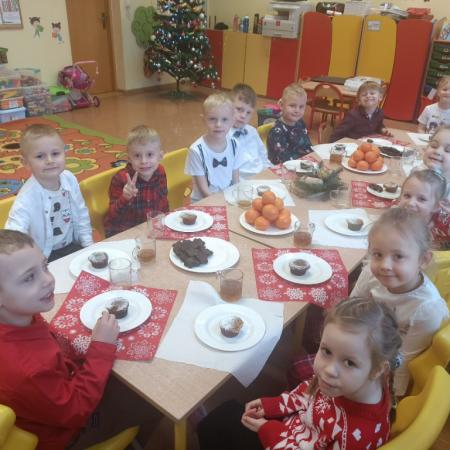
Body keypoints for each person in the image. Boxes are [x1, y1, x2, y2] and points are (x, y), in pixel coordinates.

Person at [197, 297, 402, 450]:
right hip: (292, 430)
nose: (329, 370)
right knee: (223, 415)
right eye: (326, 351)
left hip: (283, 439)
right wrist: (275, 405)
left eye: (349, 362)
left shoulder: (356, 437)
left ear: (378, 370)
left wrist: (268, 430)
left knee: (213, 425)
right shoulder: (349, 384)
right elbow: (309, 391)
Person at [0, 229, 118, 450]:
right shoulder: (28, 371)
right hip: (70, 432)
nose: (48, 280)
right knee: (147, 401)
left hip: (58, 398)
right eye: (29, 278)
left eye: (44, 266)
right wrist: (100, 348)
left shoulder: (19, 315)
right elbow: (77, 410)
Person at [351, 208, 448, 395]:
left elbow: (403, 365)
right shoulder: (371, 273)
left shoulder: (427, 310)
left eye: (398, 256)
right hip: (363, 346)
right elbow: (351, 311)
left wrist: (389, 398)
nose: (385, 265)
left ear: (423, 260)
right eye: (377, 254)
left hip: (386, 375)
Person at [5, 124, 93, 262]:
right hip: (44, 256)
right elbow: (14, 233)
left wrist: (88, 245)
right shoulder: (26, 197)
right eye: (40, 156)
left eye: (55, 154)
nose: (50, 161)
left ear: (64, 154)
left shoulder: (69, 179)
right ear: (26, 163)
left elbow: (81, 213)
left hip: (73, 245)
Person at [104, 125, 169, 237]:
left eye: (149, 154)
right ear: (129, 158)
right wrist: (125, 198)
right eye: (137, 155)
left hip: (149, 228)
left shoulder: (160, 172)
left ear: (160, 156)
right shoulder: (121, 179)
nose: (143, 161)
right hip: (123, 232)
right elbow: (112, 216)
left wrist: (164, 220)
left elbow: (163, 201)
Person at [185, 93, 245, 201]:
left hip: (228, 198)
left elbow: (236, 181)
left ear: (232, 121)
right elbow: (203, 190)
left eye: (224, 119)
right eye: (212, 119)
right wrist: (223, 203)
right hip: (203, 201)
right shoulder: (196, 150)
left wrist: (235, 199)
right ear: (203, 119)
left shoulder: (235, 145)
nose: (218, 125)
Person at [229, 83, 272, 179]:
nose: (243, 115)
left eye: (248, 112)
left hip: (261, 174)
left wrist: (267, 170)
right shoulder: (223, 136)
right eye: (239, 109)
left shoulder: (252, 131)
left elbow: (262, 153)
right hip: (242, 180)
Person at [267, 82, 312, 164]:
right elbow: (283, 160)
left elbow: (307, 147)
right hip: (282, 169)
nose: (297, 110)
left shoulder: (300, 123)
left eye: (301, 107)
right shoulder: (277, 132)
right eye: (292, 106)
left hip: (300, 165)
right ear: (281, 105)